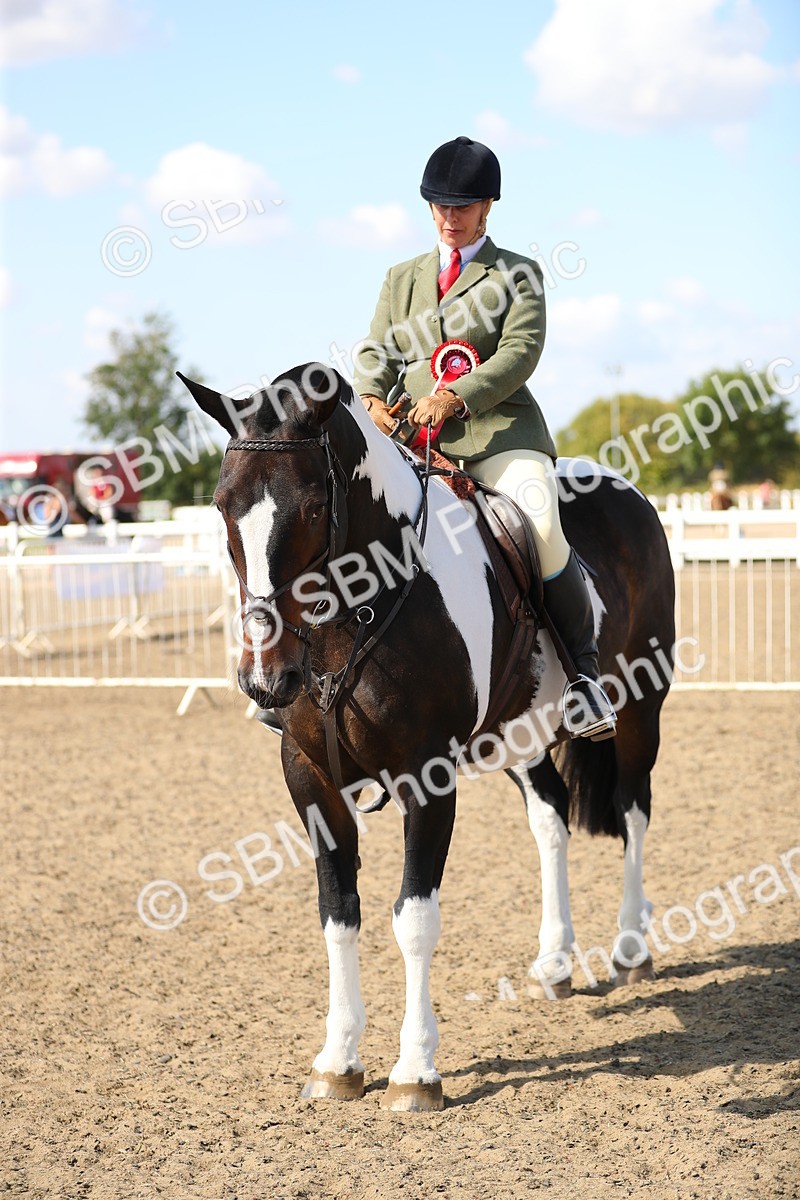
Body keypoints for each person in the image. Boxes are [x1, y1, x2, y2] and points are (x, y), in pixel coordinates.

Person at [353, 135, 616, 740]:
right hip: (412, 440)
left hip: (499, 437)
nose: (450, 218)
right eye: (440, 206)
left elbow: (520, 353)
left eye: (463, 207)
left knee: (544, 531)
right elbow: (377, 348)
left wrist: (456, 395)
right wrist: (370, 394)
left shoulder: (518, 274)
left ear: (488, 205)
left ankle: (585, 680)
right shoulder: (401, 279)